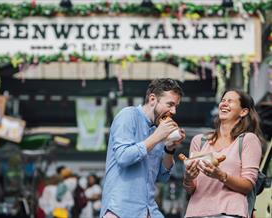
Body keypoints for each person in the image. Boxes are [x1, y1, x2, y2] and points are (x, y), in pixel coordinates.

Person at [100, 78, 186, 218]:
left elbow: (163, 177)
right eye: (170, 104)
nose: (174, 111)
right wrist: (157, 137)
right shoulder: (128, 115)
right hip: (120, 211)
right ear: (153, 99)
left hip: (149, 210)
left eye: (176, 106)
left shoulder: (158, 129)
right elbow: (123, 157)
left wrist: (169, 149)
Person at [183, 89, 264, 218]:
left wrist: (220, 175)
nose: (224, 104)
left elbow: (248, 185)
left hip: (229, 212)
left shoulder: (248, 140)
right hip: (196, 213)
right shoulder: (199, 141)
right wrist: (188, 178)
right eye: (223, 101)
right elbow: (191, 189)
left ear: (243, 111)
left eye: (230, 101)